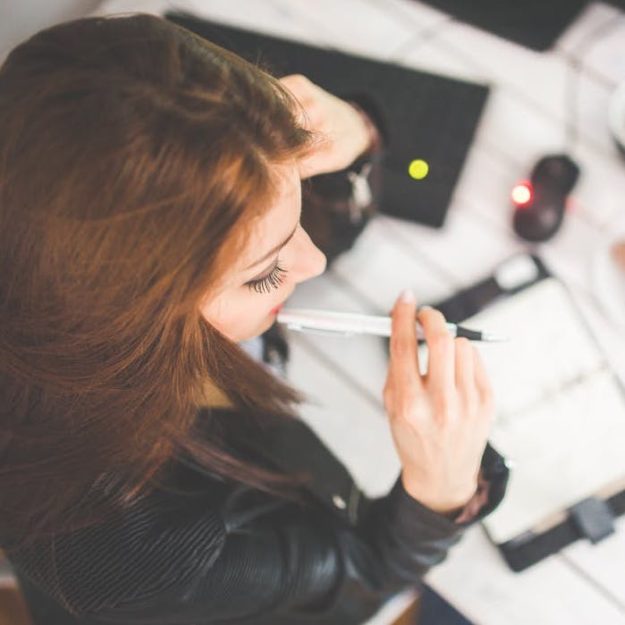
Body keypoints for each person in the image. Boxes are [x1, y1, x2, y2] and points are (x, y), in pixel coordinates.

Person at [0, 14, 508, 625]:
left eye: (298, 188)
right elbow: (364, 578)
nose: (313, 262)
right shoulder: (134, 546)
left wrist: (358, 132)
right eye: (264, 274)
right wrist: (440, 491)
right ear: (132, 315)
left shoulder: (97, 201)